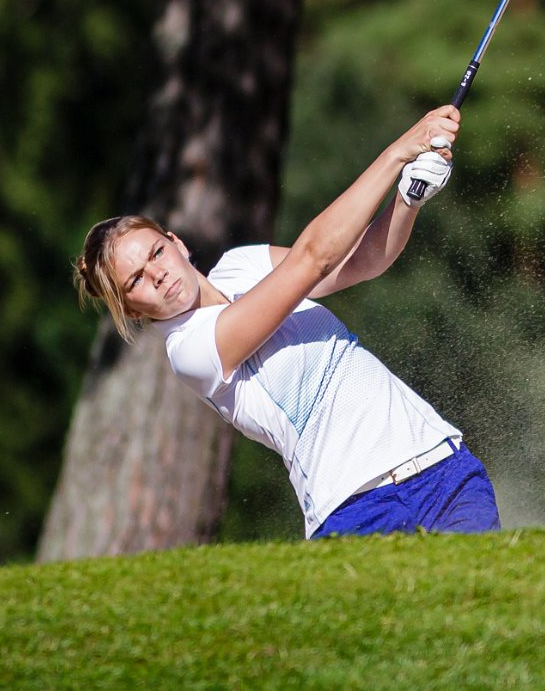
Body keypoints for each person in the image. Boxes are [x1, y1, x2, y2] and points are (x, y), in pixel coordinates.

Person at [72, 105, 499, 539]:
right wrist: (398, 153)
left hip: (440, 465)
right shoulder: (190, 351)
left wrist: (408, 199)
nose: (157, 273)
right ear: (132, 310)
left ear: (176, 243)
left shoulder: (242, 264)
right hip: (353, 509)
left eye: (156, 253)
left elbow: (363, 262)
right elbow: (312, 259)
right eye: (137, 280)